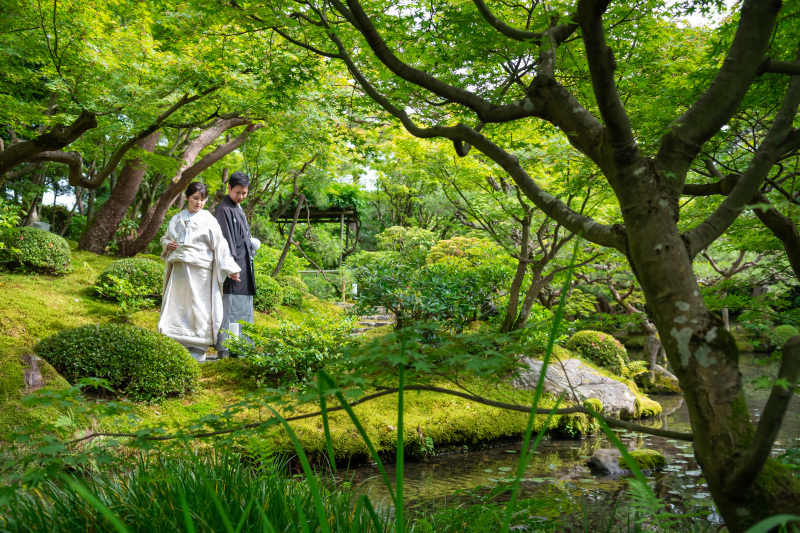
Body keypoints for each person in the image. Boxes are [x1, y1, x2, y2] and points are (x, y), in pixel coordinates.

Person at [158, 182, 241, 363]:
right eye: (195, 198)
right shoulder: (176, 219)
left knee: (199, 308)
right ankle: (175, 345)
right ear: (186, 197)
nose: (199, 203)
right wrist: (168, 245)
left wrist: (231, 269)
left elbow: (220, 244)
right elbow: (165, 238)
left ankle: (198, 349)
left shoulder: (208, 219)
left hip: (200, 272)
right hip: (179, 269)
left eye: (202, 199)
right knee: (177, 307)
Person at [214, 171, 260, 358]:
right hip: (234, 269)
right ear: (229, 188)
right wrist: (231, 267)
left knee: (243, 308)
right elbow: (224, 242)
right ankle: (227, 351)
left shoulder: (236, 208)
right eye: (238, 192)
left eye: (244, 193)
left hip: (244, 267)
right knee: (231, 308)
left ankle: (240, 348)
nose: (241, 196)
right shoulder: (224, 209)